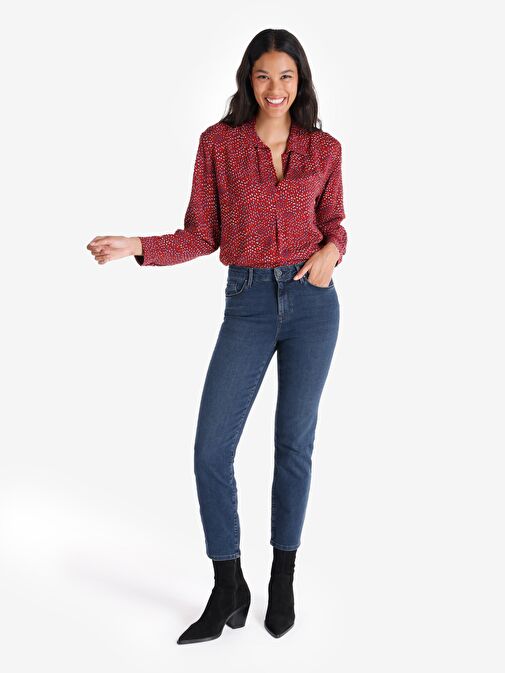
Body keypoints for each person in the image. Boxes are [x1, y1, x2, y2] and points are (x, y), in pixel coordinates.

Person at [87, 28, 347, 644]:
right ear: (248, 80)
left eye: (286, 76)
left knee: (294, 445)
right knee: (211, 450)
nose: (276, 88)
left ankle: (283, 576)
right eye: (264, 76)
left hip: (313, 305)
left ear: (301, 81)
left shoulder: (325, 147)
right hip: (248, 302)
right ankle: (228, 584)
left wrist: (334, 249)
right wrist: (137, 246)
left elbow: (334, 221)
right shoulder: (219, 144)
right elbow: (201, 235)